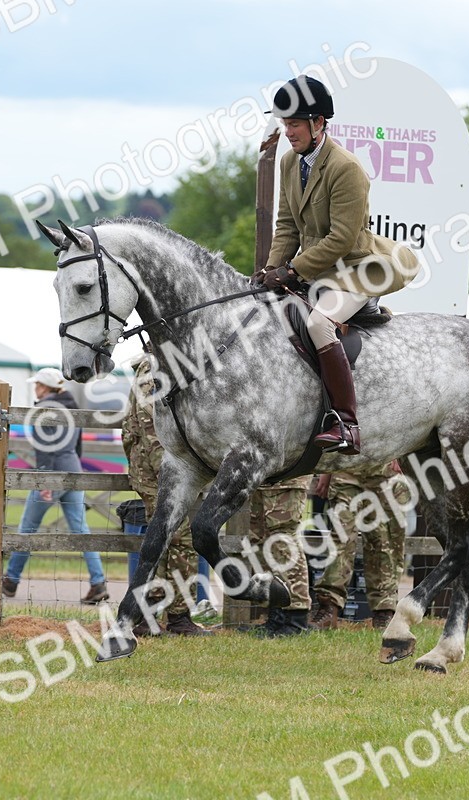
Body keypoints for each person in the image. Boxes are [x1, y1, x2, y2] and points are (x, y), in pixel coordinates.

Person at [252, 75, 419, 455]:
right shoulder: (290, 164)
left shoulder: (347, 168)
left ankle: (346, 423)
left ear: (318, 123)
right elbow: (287, 226)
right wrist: (268, 271)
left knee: (319, 323)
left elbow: (342, 238)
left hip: (354, 269)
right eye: (284, 124)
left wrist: (293, 271)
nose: (287, 131)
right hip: (315, 266)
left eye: (293, 124)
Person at [119, 352, 211, 636]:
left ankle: (149, 615)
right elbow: (152, 425)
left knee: (165, 542)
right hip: (159, 472)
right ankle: (177, 617)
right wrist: (175, 476)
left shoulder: (161, 362)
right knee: (179, 541)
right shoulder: (155, 365)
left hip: (158, 471)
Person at [2, 368, 109, 605]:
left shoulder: (46, 409)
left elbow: (46, 447)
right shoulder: (71, 406)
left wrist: (47, 481)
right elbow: (76, 444)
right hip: (73, 469)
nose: (35, 388)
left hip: (51, 473)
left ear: (46, 387)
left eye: (38, 385)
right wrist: (75, 470)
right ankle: (98, 582)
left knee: (27, 528)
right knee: (81, 531)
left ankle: (10, 581)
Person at [307, 463, 407, 631]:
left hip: (385, 466)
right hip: (346, 466)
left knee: (384, 541)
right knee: (340, 538)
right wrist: (327, 470)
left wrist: (403, 454)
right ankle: (328, 610)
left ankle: (384, 613)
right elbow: (330, 435)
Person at [250, 475, 314, 636]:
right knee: (261, 541)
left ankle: (295, 618)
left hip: (288, 473)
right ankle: (276, 615)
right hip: (263, 475)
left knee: (283, 542)